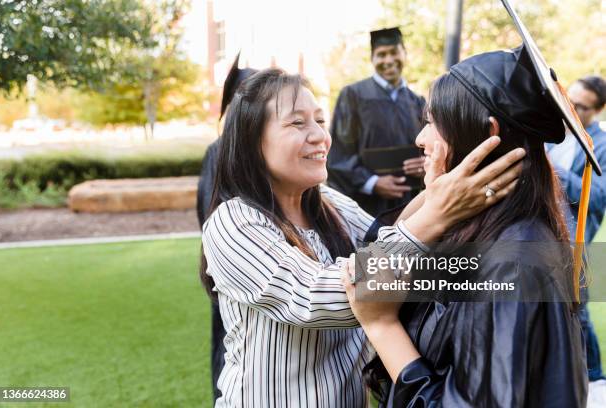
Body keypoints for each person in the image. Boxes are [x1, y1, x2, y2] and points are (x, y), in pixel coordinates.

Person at [200, 68, 524, 407]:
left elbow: (385, 241)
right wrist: (437, 212)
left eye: (320, 121)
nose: (319, 137)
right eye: (297, 123)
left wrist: (442, 183)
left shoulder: (328, 204)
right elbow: (330, 298)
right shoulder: (233, 222)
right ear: (252, 141)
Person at [342, 44, 589, 407]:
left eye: (431, 122)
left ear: (487, 133)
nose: (420, 140)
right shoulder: (482, 234)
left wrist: (383, 327)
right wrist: (438, 196)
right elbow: (374, 252)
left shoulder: (511, 260)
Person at [196, 53, 257, 403]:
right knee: (228, 347)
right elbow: (210, 214)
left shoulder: (266, 152)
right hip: (233, 273)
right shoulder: (218, 152)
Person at [546, 75, 606, 400]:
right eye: (570, 98)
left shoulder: (602, 143)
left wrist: (553, 169)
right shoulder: (552, 135)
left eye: (581, 106)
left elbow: (598, 195)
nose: (571, 107)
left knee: (578, 312)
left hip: (575, 241)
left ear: (597, 110)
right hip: (543, 238)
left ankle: (596, 381)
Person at [327, 27, 426, 216]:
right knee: (373, 247)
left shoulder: (417, 101)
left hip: (410, 206)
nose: (388, 60)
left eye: (394, 52)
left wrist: (426, 165)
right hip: (366, 207)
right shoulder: (353, 96)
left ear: (404, 54)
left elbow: (429, 148)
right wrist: (372, 182)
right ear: (372, 59)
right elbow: (339, 155)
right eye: (381, 54)